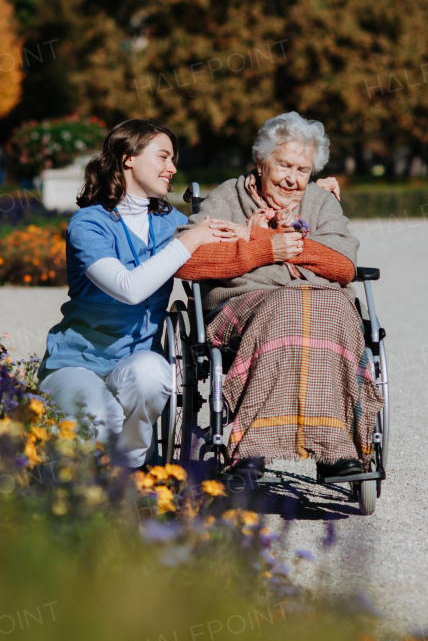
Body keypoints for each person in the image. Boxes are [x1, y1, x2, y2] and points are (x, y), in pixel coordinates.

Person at [175, 112, 384, 482]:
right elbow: (188, 260)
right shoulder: (227, 197)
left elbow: (343, 265)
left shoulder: (320, 203)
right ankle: (252, 448)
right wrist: (265, 250)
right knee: (290, 307)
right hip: (244, 306)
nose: (292, 178)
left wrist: (286, 245)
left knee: (321, 305)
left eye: (302, 170)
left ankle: (334, 450)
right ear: (260, 163)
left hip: (321, 303)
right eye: (283, 165)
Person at [37, 119, 243, 467]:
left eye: (173, 159)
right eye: (163, 157)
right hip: (76, 362)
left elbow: (239, 237)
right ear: (127, 157)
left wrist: (308, 198)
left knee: (153, 375)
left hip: (137, 362)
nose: (172, 168)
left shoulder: (170, 222)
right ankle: (101, 452)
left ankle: (132, 467)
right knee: (101, 421)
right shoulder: (89, 224)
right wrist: (190, 240)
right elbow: (128, 289)